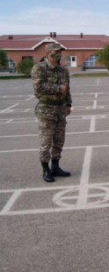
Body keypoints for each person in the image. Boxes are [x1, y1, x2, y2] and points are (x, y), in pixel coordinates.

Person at [31, 43, 72, 182]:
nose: (59, 53)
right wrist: (56, 88)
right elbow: (38, 87)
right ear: (48, 53)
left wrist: (68, 104)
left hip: (60, 111)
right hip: (46, 111)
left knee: (59, 141)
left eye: (60, 51)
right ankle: (45, 169)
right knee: (46, 142)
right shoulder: (39, 68)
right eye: (56, 51)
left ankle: (55, 167)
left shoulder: (63, 70)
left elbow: (67, 89)